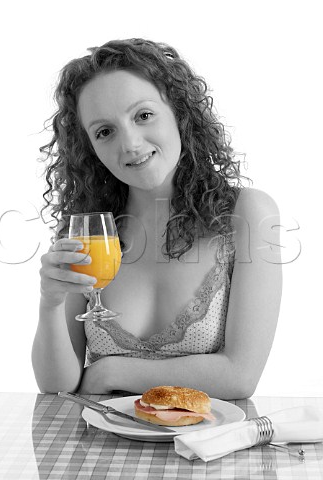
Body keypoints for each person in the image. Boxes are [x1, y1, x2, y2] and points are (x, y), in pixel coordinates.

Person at [32, 38, 282, 400]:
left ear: (179, 112)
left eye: (143, 115)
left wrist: (110, 371)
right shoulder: (92, 232)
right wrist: (50, 303)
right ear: (90, 148)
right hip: (102, 453)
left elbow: (239, 376)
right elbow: (56, 386)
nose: (130, 143)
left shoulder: (246, 215)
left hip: (207, 453)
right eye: (105, 131)